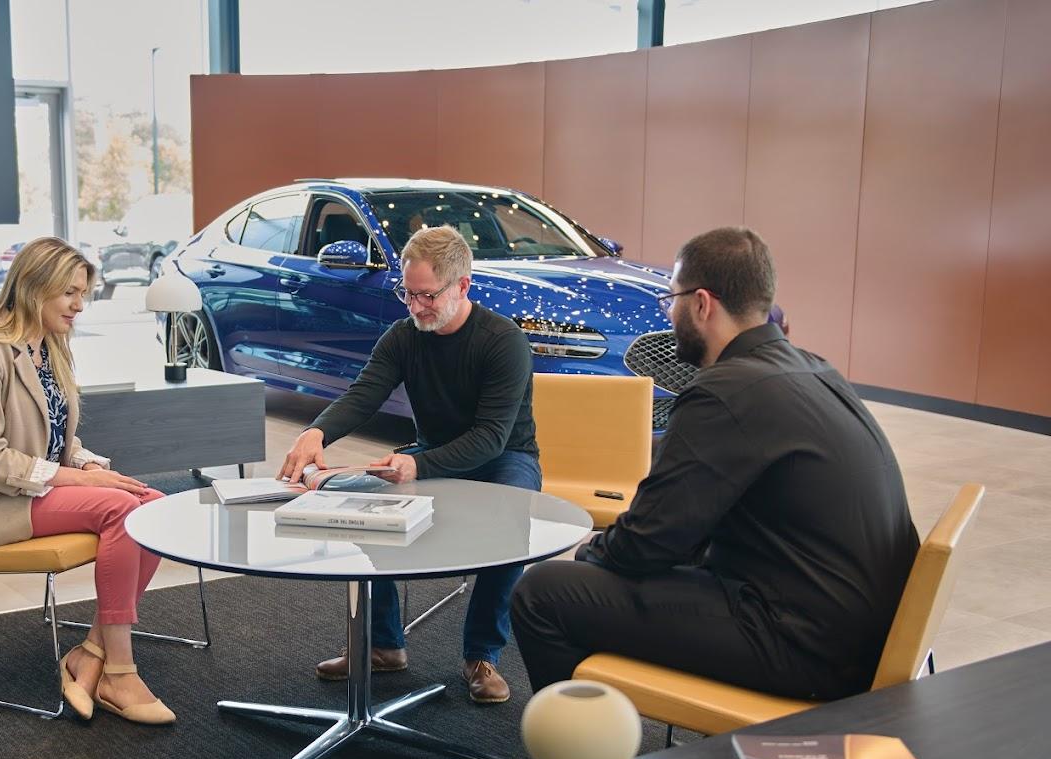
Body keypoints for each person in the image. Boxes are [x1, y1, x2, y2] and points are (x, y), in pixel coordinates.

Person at [510, 227, 918, 702]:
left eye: (671, 299)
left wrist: (592, 557)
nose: (669, 310)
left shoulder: (725, 393)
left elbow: (645, 544)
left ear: (702, 304)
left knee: (543, 592)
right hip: (852, 628)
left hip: (803, 645)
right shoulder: (812, 368)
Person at [278, 225, 539, 703]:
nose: (415, 307)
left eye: (427, 296)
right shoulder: (404, 336)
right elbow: (363, 393)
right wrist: (315, 432)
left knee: (510, 520)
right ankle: (383, 645)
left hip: (504, 457)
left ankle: (482, 655)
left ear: (463, 287)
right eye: (407, 293)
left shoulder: (503, 341)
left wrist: (416, 466)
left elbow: (491, 437)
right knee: (357, 497)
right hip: (435, 447)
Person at [0, 236, 174, 725]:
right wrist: (76, 482)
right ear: (34, 286)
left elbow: (56, 435)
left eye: (83, 294)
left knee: (155, 504)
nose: (80, 306)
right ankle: (119, 670)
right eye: (70, 293)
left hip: (34, 487)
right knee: (121, 510)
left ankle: (90, 653)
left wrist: (87, 467)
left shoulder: (48, 346)